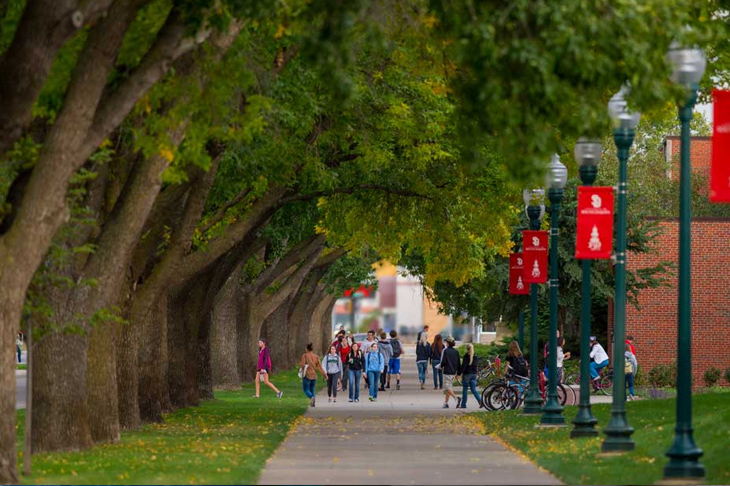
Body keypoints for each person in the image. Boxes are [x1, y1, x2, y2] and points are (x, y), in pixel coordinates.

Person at [299, 343, 326, 407]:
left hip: (307, 375)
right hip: (314, 376)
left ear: (307, 349)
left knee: (306, 390)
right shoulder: (316, 357)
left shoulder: (305, 355)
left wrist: (300, 364)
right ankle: (313, 403)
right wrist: (324, 375)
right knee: (312, 389)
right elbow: (320, 367)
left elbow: (302, 365)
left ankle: (311, 397)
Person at [458, 343, 482, 409]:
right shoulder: (475, 356)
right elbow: (476, 366)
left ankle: (463, 405)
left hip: (467, 375)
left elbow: (464, 366)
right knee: (473, 389)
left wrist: (459, 373)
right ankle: (480, 401)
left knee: (465, 389)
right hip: (474, 375)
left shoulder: (466, 356)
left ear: (467, 349)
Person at [439, 336, 460, 408]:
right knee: (449, 387)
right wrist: (458, 373)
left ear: (448, 343)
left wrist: (440, 366)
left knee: (446, 387)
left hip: (447, 371)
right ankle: (446, 403)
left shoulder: (445, 351)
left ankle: (456, 398)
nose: (445, 343)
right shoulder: (456, 351)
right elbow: (458, 363)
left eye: (446, 342)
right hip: (453, 372)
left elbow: (443, 361)